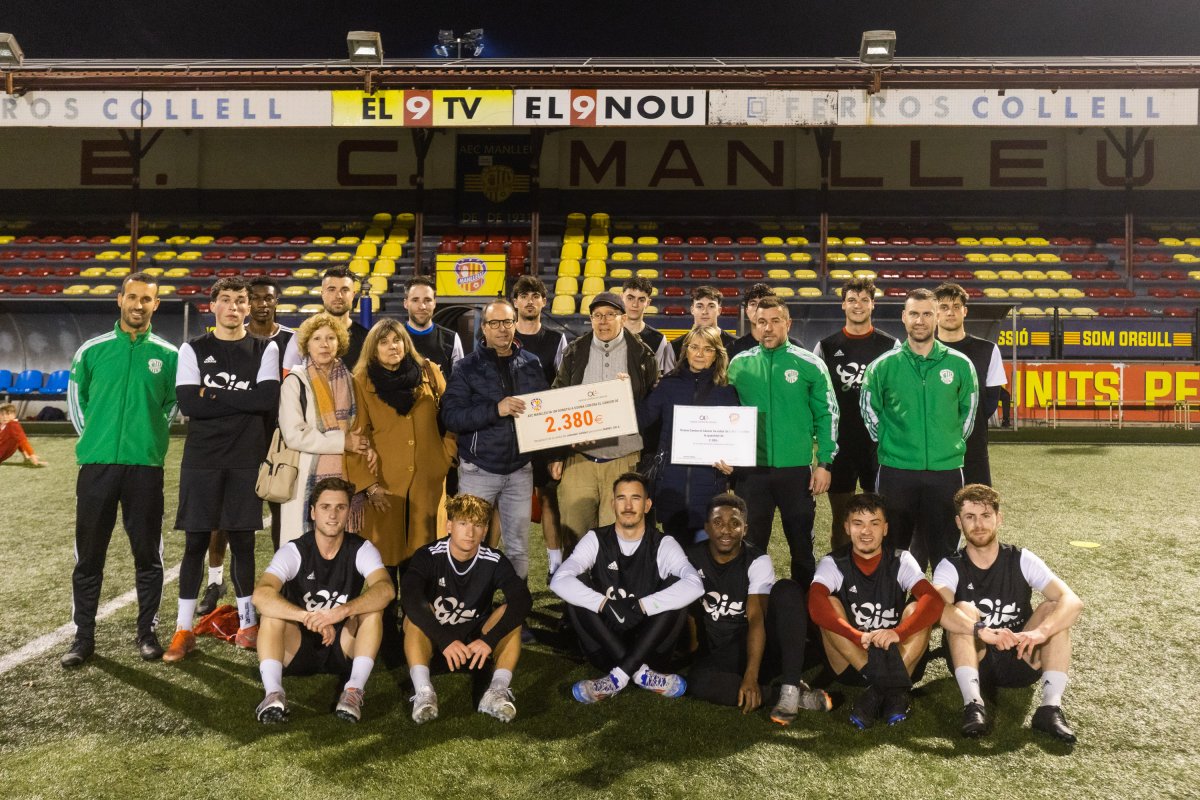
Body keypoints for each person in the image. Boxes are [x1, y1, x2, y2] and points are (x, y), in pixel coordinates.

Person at [61, 272, 178, 667]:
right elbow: (78, 403)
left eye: (147, 299)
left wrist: (147, 438)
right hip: (97, 467)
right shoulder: (91, 351)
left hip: (145, 467)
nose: (139, 305)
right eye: (133, 297)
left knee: (148, 555)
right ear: (120, 299)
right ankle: (83, 637)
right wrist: (96, 440)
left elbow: (172, 407)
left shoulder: (169, 354)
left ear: (155, 304)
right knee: (89, 556)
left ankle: (147, 634)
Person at [166, 276, 280, 662]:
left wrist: (211, 393)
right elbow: (188, 404)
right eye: (226, 300)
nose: (233, 307)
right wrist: (240, 398)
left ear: (250, 308)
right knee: (196, 543)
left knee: (244, 542)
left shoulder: (265, 348)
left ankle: (248, 623)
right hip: (202, 459)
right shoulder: (192, 349)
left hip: (245, 459)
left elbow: (266, 399)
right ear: (212, 306)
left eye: (241, 301)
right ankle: (183, 630)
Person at [933, 484, 1083, 742]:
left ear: (999, 518)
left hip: (1020, 656)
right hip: (975, 659)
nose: (979, 524)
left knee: (1052, 609)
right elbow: (935, 610)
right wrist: (981, 630)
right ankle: (973, 704)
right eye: (970, 517)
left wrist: (1040, 632)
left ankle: (1050, 708)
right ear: (959, 522)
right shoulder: (950, 565)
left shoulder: (1021, 558)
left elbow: (1073, 601)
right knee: (962, 610)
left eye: (986, 516)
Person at [352, 318, 456, 663]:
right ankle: (384, 637)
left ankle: (420, 633)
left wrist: (446, 457)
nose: (392, 347)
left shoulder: (428, 372)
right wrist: (368, 485)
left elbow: (451, 419)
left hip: (428, 481)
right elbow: (357, 436)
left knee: (423, 563)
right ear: (373, 348)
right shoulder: (361, 381)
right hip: (384, 486)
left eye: (397, 341)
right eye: (384, 342)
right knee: (384, 564)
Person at [551, 472, 704, 703]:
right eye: (621, 498)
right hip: (605, 649)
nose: (628, 505)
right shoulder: (596, 539)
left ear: (647, 504)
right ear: (613, 503)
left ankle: (618, 678)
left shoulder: (663, 543)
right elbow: (559, 580)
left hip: (651, 647)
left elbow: (695, 584)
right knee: (576, 584)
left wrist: (641, 606)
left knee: (677, 587)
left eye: (636, 498)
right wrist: (604, 605)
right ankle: (641, 675)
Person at [252, 477, 394, 724]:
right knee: (270, 613)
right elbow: (261, 594)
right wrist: (306, 617)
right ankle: (273, 694)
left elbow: (386, 590)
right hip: (296, 645)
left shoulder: (361, 548)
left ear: (349, 512)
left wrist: (340, 612)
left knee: (373, 611)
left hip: (342, 644)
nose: (333, 515)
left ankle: (353, 691)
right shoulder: (294, 550)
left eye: (340, 507)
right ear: (313, 512)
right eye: (326, 507)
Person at [860, 288, 979, 572]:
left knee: (945, 550)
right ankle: (893, 608)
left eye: (927, 313)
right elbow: (869, 410)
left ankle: (942, 609)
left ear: (937, 316)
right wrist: (892, 442)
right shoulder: (883, 366)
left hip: (946, 470)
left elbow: (969, 414)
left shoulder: (960, 364)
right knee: (893, 549)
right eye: (914, 313)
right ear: (904, 317)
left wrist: (946, 443)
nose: (920, 320)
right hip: (896, 470)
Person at [684, 493, 831, 723]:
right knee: (697, 683)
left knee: (787, 589)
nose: (726, 530)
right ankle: (780, 694)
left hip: (759, 648)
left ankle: (790, 686)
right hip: (723, 654)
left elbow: (756, 619)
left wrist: (751, 676)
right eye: (718, 523)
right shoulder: (691, 557)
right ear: (707, 527)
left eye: (735, 523)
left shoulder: (756, 560)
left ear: (745, 529)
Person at [198, 275, 295, 616]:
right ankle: (214, 580)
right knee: (220, 519)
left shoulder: (292, 340)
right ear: (246, 303)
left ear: (276, 302)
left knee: (283, 515)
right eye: (255, 298)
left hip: (281, 440)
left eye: (269, 297)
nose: (262, 303)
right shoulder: (227, 342)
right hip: (236, 440)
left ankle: (284, 584)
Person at [727, 295, 838, 585]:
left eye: (775, 321)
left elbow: (827, 415)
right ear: (754, 325)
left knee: (802, 548)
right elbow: (724, 414)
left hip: (796, 472)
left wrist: (824, 462)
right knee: (750, 548)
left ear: (787, 323)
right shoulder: (738, 365)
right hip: (751, 473)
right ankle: (751, 614)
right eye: (761, 322)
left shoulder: (809, 364)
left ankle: (805, 618)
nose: (768, 328)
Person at [808, 493, 943, 730]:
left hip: (899, 657)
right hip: (853, 660)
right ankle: (893, 689)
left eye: (874, 523)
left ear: (886, 529)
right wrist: (855, 635)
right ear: (847, 528)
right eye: (858, 523)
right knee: (828, 603)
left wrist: (899, 633)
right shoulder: (833, 562)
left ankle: (877, 690)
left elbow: (933, 601)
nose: (866, 531)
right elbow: (815, 603)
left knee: (916, 608)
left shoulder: (902, 559)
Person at [441, 298, 549, 581]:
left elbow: (545, 409)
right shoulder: (466, 367)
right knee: (469, 543)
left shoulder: (532, 363)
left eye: (507, 322)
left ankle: (514, 614)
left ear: (515, 324)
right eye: (494, 323)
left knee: (518, 548)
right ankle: (471, 608)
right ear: (484, 329)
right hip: (479, 469)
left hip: (519, 469)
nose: (502, 329)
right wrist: (495, 409)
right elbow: (451, 416)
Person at [401, 493, 532, 724]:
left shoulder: (494, 559)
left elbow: (522, 599)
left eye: (478, 525)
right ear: (449, 526)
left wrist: (490, 640)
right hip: (435, 638)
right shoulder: (428, 555)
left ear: (485, 530)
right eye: (463, 523)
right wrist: (443, 639)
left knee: (510, 614)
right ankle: (423, 692)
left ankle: (496, 691)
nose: (470, 533)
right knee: (413, 618)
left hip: (476, 644)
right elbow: (410, 599)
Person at [550, 292, 659, 550]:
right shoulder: (575, 350)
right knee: (575, 531)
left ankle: (615, 587)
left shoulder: (643, 354)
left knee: (620, 536)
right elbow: (558, 397)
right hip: (580, 457)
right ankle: (577, 587)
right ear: (590, 319)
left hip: (624, 457)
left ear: (622, 318)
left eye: (610, 315)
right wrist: (557, 452)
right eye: (597, 315)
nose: (604, 321)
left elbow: (653, 406)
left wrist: (628, 394)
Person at [813, 278, 898, 549]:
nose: (858, 305)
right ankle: (840, 574)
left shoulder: (890, 345)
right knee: (842, 519)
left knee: (881, 516)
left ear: (873, 304)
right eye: (852, 300)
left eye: (864, 300)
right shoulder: (825, 347)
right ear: (843, 305)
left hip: (879, 445)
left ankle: (881, 575)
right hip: (841, 445)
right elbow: (819, 399)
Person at [277, 312, 374, 548]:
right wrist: (343, 442)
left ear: (339, 343)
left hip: (347, 477)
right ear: (306, 345)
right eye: (317, 338)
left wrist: (367, 447)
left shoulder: (351, 381)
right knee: (306, 549)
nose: (324, 344)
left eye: (331, 338)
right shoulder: (295, 381)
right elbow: (294, 435)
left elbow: (362, 427)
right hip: (306, 477)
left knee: (342, 549)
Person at [637, 326, 739, 544]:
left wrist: (733, 466)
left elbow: (736, 440)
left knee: (706, 557)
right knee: (674, 559)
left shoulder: (726, 391)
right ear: (686, 351)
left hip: (710, 486)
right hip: (672, 485)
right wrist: (626, 389)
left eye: (707, 349)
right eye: (694, 347)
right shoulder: (667, 386)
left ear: (717, 354)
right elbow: (642, 419)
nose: (700, 354)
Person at [512, 275, 571, 577]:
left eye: (536, 295)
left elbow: (561, 389)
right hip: (511, 432)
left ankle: (556, 565)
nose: (530, 300)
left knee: (547, 497)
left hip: (545, 431)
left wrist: (559, 447)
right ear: (515, 302)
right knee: (510, 499)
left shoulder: (555, 339)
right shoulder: (503, 337)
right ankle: (507, 564)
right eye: (524, 295)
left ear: (544, 302)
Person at [935, 282, 1008, 486]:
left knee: (977, 508)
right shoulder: (922, 350)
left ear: (965, 311)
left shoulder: (987, 349)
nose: (951, 312)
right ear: (935, 312)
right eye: (944, 307)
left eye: (956, 307)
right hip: (932, 448)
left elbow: (990, 401)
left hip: (974, 447)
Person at [282, 266, 369, 371]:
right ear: (322, 294)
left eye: (345, 290)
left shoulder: (367, 338)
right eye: (332, 290)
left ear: (353, 295)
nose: (339, 296)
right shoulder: (302, 336)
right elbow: (288, 380)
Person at [403, 275, 464, 379]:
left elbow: (460, 383)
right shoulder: (394, 337)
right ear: (406, 303)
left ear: (434, 303)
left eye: (427, 300)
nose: (422, 306)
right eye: (415, 300)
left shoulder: (451, 338)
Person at [621, 276, 675, 374]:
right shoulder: (607, 332)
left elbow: (657, 378)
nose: (635, 305)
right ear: (621, 298)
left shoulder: (658, 339)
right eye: (630, 298)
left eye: (641, 300)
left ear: (648, 303)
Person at [670, 285, 736, 360]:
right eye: (699, 306)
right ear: (692, 310)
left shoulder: (735, 344)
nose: (705, 312)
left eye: (711, 306)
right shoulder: (675, 346)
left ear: (719, 311)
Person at [726, 283, 776, 360]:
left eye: (763, 303)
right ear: (746, 310)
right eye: (753, 304)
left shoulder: (793, 347)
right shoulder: (733, 349)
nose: (758, 309)